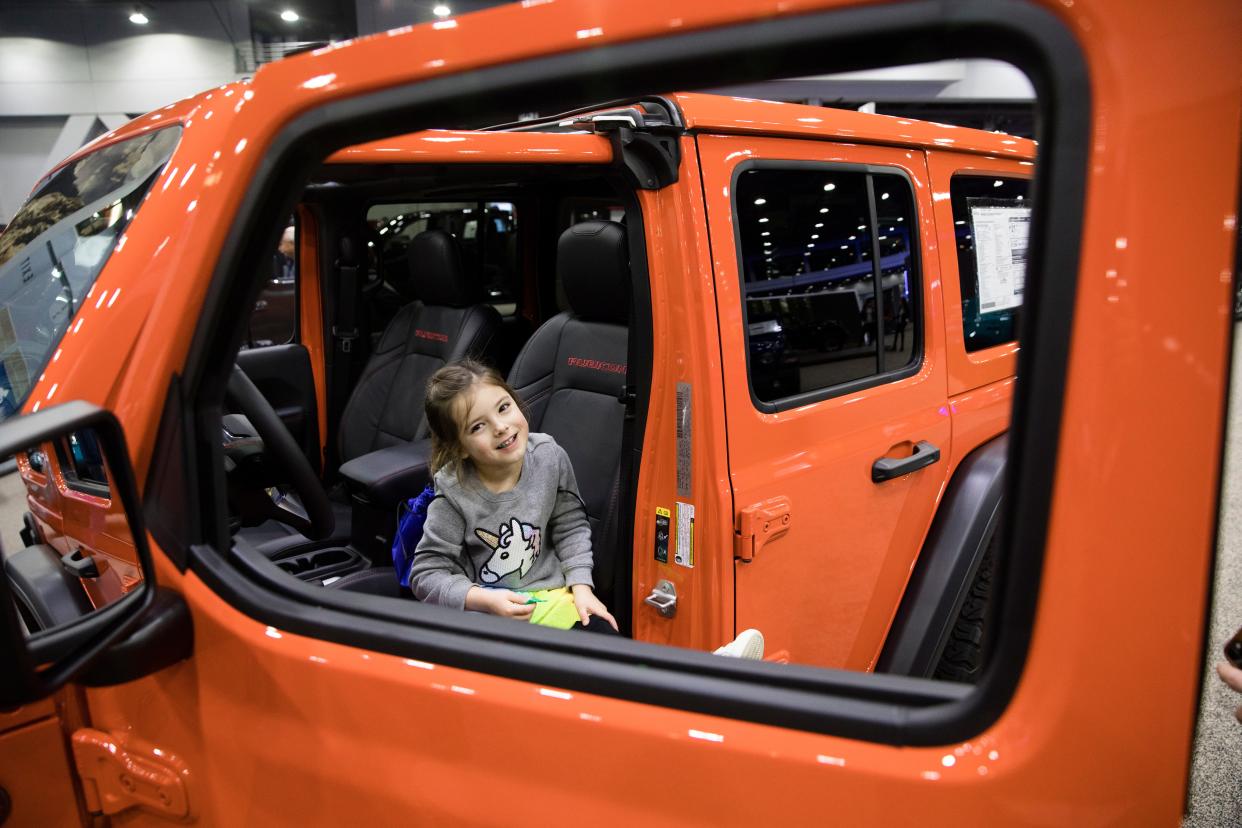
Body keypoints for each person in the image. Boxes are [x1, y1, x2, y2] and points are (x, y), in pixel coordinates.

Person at [408, 358, 765, 657]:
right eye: (478, 427)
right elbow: (426, 573)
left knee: (613, 655)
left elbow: (569, 524)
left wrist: (581, 586)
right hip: (489, 620)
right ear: (460, 449)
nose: (501, 427)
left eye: (504, 408)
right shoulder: (454, 494)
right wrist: (482, 600)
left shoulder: (548, 457)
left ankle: (707, 674)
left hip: (554, 601)